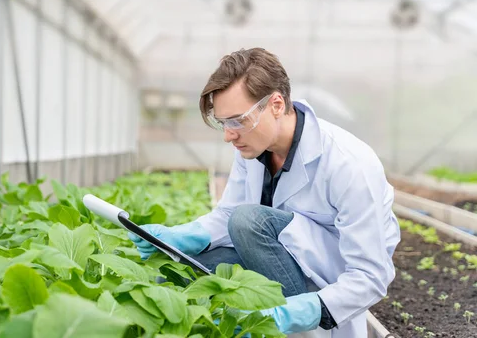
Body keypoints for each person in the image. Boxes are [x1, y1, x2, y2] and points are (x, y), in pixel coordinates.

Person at [129, 48, 400, 337]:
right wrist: (184, 236)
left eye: (237, 120)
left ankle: (292, 330)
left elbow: (370, 276)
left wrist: (291, 314)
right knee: (195, 271)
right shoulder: (253, 147)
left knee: (249, 222)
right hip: (278, 261)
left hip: (330, 283)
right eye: (223, 123)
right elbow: (228, 213)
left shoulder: (350, 163)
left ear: (275, 104)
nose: (228, 135)